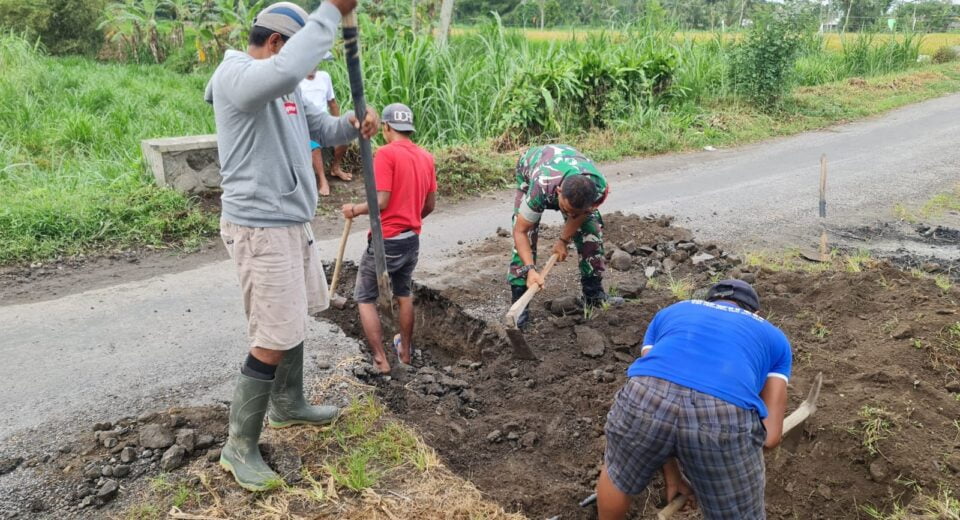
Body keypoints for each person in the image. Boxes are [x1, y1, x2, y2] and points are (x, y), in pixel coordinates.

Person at [204, 0, 379, 492]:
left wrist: (353, 123)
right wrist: (331, 12)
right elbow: (284, 73)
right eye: (302, 58)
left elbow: (319, 127)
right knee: (272, 332)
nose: (306, 73)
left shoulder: (285, 88)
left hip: (291, 221)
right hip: (260, 227)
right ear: (277, 43)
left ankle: (288, 404)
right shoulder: (236, 76)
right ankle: (239, 445)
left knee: (293, 315)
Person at [596, 280, 792, 520]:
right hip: (723, 414)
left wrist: (675, 470)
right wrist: (725, 467)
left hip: (642, 396)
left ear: (707, 302)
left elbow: (661, 389)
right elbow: (770, 437)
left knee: (618, 474)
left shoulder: (672, 312)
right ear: (756, 313)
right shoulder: (774, 337)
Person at [341, 103, 436, 374]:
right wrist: (410, 217)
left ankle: (380, 360)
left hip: (387, 241)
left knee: (365, 297)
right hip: (411, 239)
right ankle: (404, 352)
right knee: (404, 293)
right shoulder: (426, 157)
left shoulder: (385, 154)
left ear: (386, 127)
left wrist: (354, 209)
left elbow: (381, 201)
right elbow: (430, 205)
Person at [508, 144, 622, 328]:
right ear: (559, 192)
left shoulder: (598, 187)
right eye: (566, 210)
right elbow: (520, 231)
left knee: (591, 230)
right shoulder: (541, 187)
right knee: (527, 234)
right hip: (531, 167)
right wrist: (530, 270)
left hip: (572, 175)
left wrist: (563, 240)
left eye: (575, 213)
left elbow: (582, 214)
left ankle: (593, 295)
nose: (569, 215)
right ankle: (520, 303)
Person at [300, 58, 353, 195]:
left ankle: (336, 168)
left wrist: (338, 123)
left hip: (324, 122)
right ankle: (323, 180)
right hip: (307, 125)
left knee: (344, 138)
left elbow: (332, 103)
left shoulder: (324, 77)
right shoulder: (296, 82)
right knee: (315, 146)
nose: (313, 66)